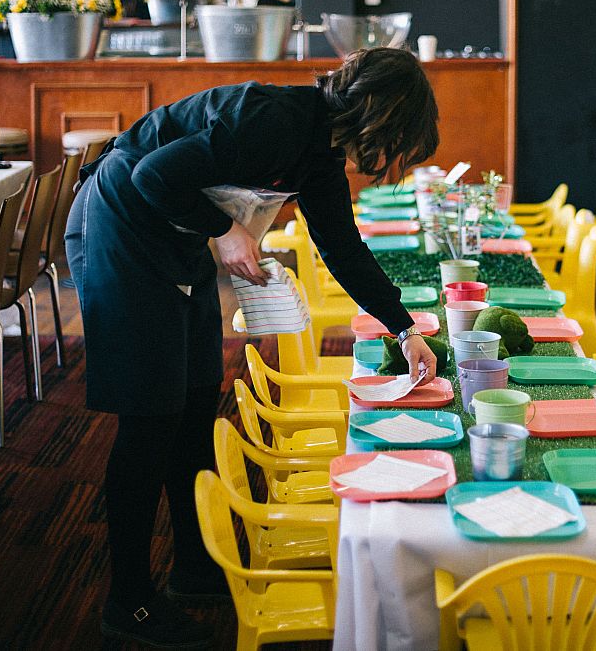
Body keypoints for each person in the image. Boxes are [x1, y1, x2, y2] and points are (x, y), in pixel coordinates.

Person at [64, 47, 440, 648]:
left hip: (169, 229)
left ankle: (194, 566)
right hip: (121, 225)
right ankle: (128, 600)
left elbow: (342, 248)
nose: (388, 161)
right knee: (148, 419)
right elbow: (150, 175)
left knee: (192, 405)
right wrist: (226, 230)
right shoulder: (278, 120)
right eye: (398, 142)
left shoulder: (317, 151)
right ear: (379, 114)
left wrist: (404, 328)